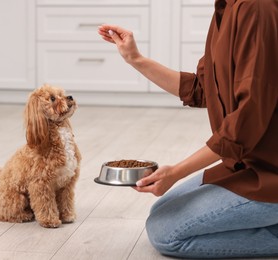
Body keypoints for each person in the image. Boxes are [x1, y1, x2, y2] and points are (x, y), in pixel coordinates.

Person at [98, 0, 278, 258]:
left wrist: (176, 172)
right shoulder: (224, 9)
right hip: (243, 166)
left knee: (166, 234)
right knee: (162, 212)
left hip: (269, 175)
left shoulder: (256, 8)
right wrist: (135, 59)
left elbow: (244, 126)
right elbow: (202, 89)